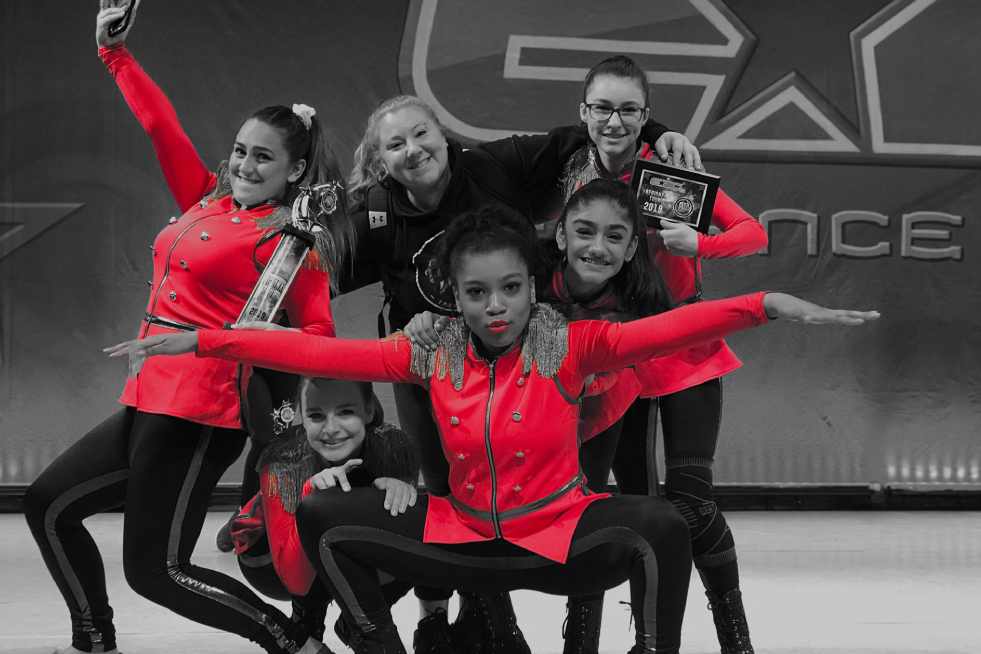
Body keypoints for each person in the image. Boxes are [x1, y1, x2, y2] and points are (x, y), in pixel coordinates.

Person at [110, 205, 879, 654]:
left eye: (510, 288)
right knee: (322, 515)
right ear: (456, 296)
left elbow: (679, 327)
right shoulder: (427, 348)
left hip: (560, 537)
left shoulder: (573, 344)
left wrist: (770, 303)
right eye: (477, 293)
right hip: (461, 536)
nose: (496, 307)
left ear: (529, 285)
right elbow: (316, 349)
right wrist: (207, 339)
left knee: (658, 524)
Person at [22, 2, 349, 653]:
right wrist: (114, 54)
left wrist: (256, 350)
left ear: (295, 171)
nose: (243, 165)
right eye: (238, 150)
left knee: (157, 572)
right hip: (147, 397)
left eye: (263, 158)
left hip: (201, 412)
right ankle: (94, 638)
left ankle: (291, 644)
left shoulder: (289, 242)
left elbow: (320, 339)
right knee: (49, 504)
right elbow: (158, 125)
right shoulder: (207, 198)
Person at [337, 94, 700, 653]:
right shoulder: (376, 214)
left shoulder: (491, 165)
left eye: (421, 135)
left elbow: (583, 129)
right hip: (433, 367)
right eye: (395, 145)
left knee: (580, 495)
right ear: (380, 159)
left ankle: (574, 638)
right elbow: (314, 275)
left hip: (529, 360)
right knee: (449, 495)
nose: (413, 151)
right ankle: (478, 623)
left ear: (444, 135)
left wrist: (659, 129)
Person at [546, 55, 771, 654]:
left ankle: (735, 639)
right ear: (583, 113)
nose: (613, 121)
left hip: (684, 344)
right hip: (613, 354)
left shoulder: (670, 168)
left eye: (628, 110)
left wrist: (701, 244)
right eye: (602, 108)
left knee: (691, 505)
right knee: (614, 509)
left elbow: (754, 234)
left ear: (646, 117)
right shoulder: (567, 174)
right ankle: (599, 640)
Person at [231, 377, 419, 650]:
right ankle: (306, 622)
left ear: (368, 411)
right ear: (301, 417)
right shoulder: (283, 458)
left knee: (420, 536)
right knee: (323, 520)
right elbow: (295, 581)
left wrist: (396, 495)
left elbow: (402, 551)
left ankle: (354, 624)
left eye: (346, 412)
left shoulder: (395, 446)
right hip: (269, 558)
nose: (331, 429)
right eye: (316, 415)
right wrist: (311, 496)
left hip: (341, 542)